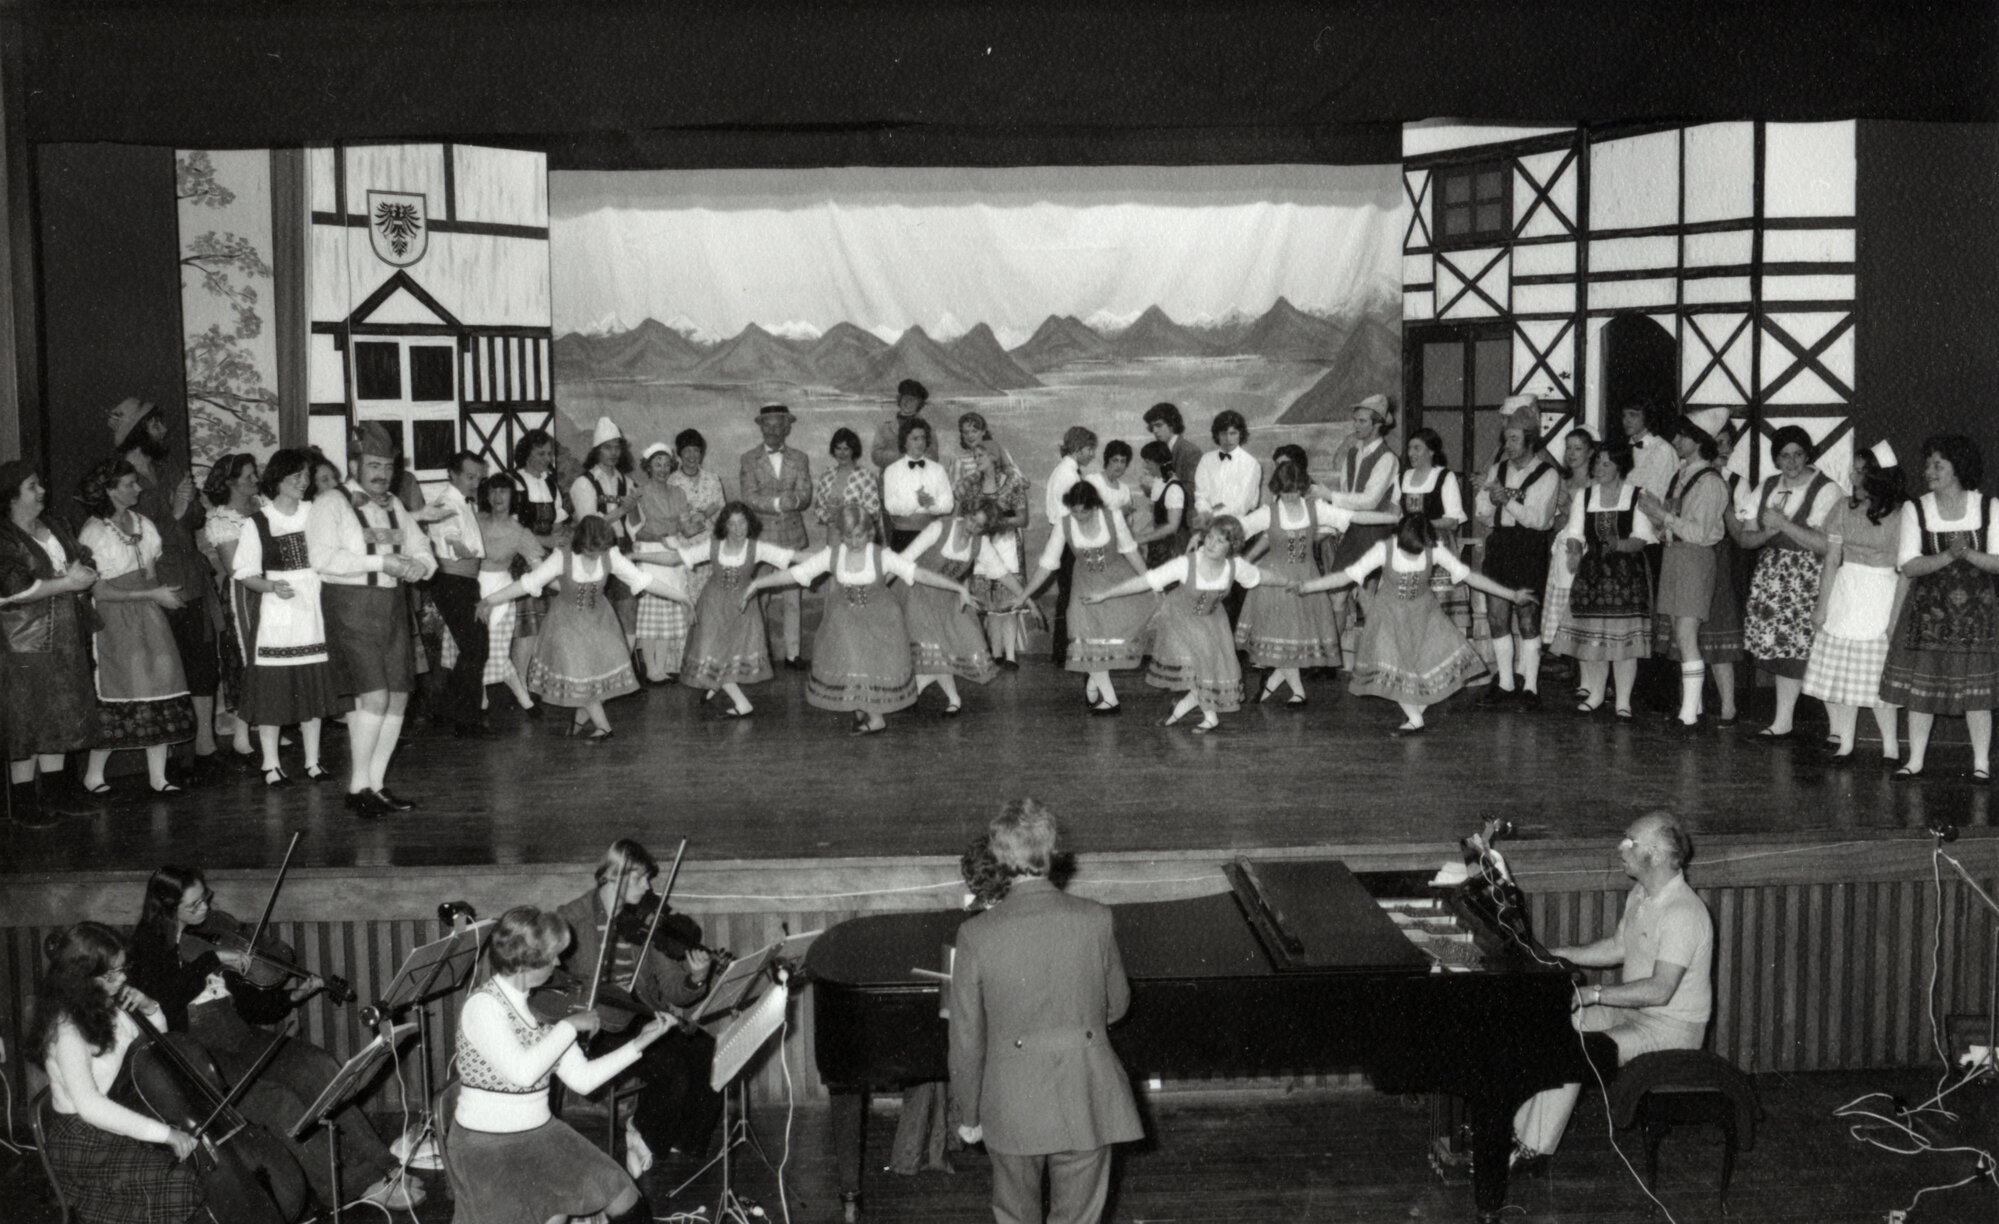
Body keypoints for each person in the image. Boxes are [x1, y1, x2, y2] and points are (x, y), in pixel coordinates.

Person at [127, 866, 416, 1210]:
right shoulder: (146, 949)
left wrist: (292, 997)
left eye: (205, 897)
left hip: (239, 1034)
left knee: (320, 1067)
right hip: (199, 1054)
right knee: (280, 1102)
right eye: (195, 904)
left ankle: (385, 1166)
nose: (205, 907)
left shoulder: (208, 935)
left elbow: (250, 1006)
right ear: (168, 908)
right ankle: (355, 1187)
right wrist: (211, 960)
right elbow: (166, 1001)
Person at [948, 799, 1144, 1224]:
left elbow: (966, 1038)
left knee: (1015, 1217)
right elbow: (1118, 1006)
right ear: (1052, 852)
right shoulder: (1096, 918)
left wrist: (968, 1114)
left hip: (1011, 1100)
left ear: (998, 856)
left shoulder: (975, 933)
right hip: (1087, 1092)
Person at [1511, 811, 1713, 1170]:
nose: (1620, 848)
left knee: (1573, 1051)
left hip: (1668, 1031)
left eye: (1629, 842)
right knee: (1552, 1024)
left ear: (1654, 853)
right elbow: (1618, 948)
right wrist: (1557, 954)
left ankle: (1533, 1152)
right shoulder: (1641, 894)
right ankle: (1517, 1132)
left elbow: (1659, 991)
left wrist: (1594, 994)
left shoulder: (1683, 913)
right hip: (1632, 1013)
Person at [447, 905, 673, 1224]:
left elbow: (583, 1079)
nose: (558, 963)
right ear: (527, 960)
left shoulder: (545, 1008)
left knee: (622, 1193)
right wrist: (570, 1027)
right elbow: (523, 1073)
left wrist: (640, 1044)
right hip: (487, 1147)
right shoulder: (483, 1007)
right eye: (553, 955)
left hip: (541, 1134)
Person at [556, 840, 721, 1171]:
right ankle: (644, 1132)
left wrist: (697, 978)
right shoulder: (571, 919)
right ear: (613, 877)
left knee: (709, 1051)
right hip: (596, 1025)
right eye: (640, 879)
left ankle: (677, 1140)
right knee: (672, 1069)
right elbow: (552, 980)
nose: (648, 887)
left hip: (639, 1015)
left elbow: (676, 991)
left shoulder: (647, 922)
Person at [742, 502, 974, 735]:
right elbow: (797, 573)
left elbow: (919, 573)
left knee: (870, 664)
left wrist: (959, 588)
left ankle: (876, 719)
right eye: (849, 537)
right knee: (851, 660)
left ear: (870, 533)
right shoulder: (833, 555)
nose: (855, 542)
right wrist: (758, 583)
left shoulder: (882, 556)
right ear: (841, 535)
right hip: (845, 619)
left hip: (881, 619)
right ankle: (862, 711)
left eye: (860, 536)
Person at [1296, 513, 1534, 736]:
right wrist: (1309, 586)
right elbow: (1347, 575)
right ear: (1397, 537)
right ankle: (1415, 717)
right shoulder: (1384, 549)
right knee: (1393, 662)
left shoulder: (1434, 549)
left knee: (1429, 661)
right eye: (1408, 551)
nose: (1412, 556)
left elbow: (1471, 576)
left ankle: (1415, 714)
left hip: (1424, 613)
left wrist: (1512, 595)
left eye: (1417, 552)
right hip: (1388, 615)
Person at [30, 921, 204, 1224]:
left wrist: (150, 1008)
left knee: (190, 1170)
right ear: (80, 977)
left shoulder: (107, 1003)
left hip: (115, 1115)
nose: (122, 978)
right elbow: (91, 1106)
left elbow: (152, 1049)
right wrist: (166, 1134)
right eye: (112, 974)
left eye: (124, 969)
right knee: (181, 1181)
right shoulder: (67, 1030)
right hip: (84, 1142)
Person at [307, 421, 437, 817]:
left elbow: (421, 547)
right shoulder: (330, 503)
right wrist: (383, 561)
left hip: (392, 609)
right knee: (374, 697)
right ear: (354, 464)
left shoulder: (394, 504)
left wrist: (422, 566)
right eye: (374, 465)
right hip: (350, 607)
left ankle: (376, 786)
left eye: (388, 466)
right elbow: (324, 559)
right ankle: (356, 786)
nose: (382, 474)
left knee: (399, 696)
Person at [477, 515, 689, 742]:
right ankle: (604, 728)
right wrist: (491, 600)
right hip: (566, 622)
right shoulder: (562, 558)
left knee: (598, 676)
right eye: (591, 549)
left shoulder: (610, 555)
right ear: (581, 543)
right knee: (580, 670)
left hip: (600, 620)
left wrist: (682, 597)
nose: (596, 555)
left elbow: (643, 579)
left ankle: (580, 718)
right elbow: (528, 583)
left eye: (600, 549)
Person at [109, 397, 225, 774]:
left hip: (191, 578)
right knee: (168, 668)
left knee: (202, 664)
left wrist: (184, 511)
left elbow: (194, 518)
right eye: (157, 425)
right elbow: (140, 537)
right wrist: (176, 512)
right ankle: (177, 757)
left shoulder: (169, 465)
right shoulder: (121, 477)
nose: (164, 431)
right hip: (156, 583)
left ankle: (206, 747)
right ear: (140, 430)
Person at [1088, 516, 1287, 732]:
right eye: (1209, 537)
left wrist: (1288, 582)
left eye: (1219, 541)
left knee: (1211, 672)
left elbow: (1261, 576)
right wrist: (1106, 594)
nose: (1210, 544)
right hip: (1178, 618)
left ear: (1232, 545)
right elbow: (1146, 581)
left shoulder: (1235, 566)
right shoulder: (1186, 563)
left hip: (1212, 621)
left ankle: (1181, 708)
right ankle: (1209, 717)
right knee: (1198, 667)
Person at [1879, 434, 1999, 780]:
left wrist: (1968, 554)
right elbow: (1908, 565)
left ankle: (1981, 763)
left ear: (1957, 468)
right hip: (1928, 614)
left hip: (1977, 614)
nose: (1929, 471)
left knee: (1977, 694)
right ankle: (1915, 760)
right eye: (1928, 464)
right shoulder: (1916, 509)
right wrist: (1948, 555)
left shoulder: (1988, 506)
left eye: (1938, 465)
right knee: (1922, 692)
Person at [76, 458, 197, 796]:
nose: (138, 488)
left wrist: (162, 596)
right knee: (123, 684)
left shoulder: (144, 524)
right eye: (130, 484)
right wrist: (150, 594)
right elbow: (98, 589)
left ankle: (158, 776)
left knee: (161, 679)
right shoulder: (95, 532)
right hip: (115, 617)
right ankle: (94, 774)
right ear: (110, 490)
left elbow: (151, 574)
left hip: (148, 613)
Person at [1238, 460, 1396, 704]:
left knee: (1295, 638)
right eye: (1284, 491)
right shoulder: (1268, 512)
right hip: (1275, 582)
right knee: (1285, 634)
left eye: (1295, 491)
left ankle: (1273, 684)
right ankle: (1298, 691)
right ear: (1276, 489)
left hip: (1307, 577)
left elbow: (1354, 516)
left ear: (1302, 488)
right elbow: (1239, 528)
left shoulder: (1315, 508)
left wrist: (1389, 518)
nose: (1290, 496)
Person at [1792, 442, 1907, 763]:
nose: (1853, 476)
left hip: (1881, 592)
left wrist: (1895, 616)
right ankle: (1845, 742)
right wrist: (1821, 605)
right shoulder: (1843, 507)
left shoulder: (1901, 513)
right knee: (1842, 676)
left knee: (1877, 677)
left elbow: (1905, 569)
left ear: (1877, 476)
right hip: (1846, 591)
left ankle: (1890, 747)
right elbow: (1831, 559)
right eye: (1853, 469)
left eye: (1860, 470)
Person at [232, 449, 341, 785]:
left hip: (313, 606)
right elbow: (244, 573)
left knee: (312, 686)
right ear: (277, 478)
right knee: (274, 689)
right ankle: (270, 762)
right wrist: (270, 586)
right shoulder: (258, 521)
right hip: (279, 611)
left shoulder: (316, 512)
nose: (303, 482)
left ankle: (312, 760)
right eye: (296, 476)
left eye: (306, 476)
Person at [1, 460, 98, 828]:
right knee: (25, 716)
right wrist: (66, 583)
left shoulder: (54, 524)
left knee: (59, 709)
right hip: (21, 638)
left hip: (64, 632)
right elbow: (12, 587)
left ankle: (57, 793)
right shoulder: (4, 536)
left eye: (39, 483)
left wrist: (82, 573)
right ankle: (24, 801)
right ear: (11, 496)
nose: (41, 491)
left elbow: (82, 558)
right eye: (31, 486)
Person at [1737, 426, 1843, 739]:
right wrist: (1768, 534)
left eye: (1798, 454)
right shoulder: (1767, 486)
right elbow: (1745, 538)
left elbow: (1827, 545)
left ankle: (1838, 729)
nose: (1792, 461)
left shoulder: (1827, 489)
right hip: (1774, 578)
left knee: (1816, 652)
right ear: (1776, 458)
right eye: (1784, 455)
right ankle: (1783, 720)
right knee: (1785, 654)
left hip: (1810, 579)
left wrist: (1783, 524)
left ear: (1807, 454)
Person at [1020, 480, 1152, 714]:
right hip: (1084, 585)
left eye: (1084, 511)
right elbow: (1047, 564)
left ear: (1095, 506)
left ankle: (1095, 679)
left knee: (1107, 638)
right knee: (1083, 633)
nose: (1079, 516)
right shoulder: (1064, 524)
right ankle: (1110, 700)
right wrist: (1025, 594)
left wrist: (1150, 580)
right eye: (1075, 511)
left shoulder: (1112, 517)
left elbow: (1130, 550)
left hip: (1116, 580)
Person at [1639, 409, 1735, 731]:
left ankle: (1689, 716)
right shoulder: (1683, 475)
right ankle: (1691, 707)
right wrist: (1657, 517)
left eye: (1682, 435)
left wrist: (1662, 516)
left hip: (1694, 558)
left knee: (1686, 634)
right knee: (1681, 636)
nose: (1675, 441)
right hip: (1677, 555)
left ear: (1698, 440)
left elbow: (1698, 532)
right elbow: (1674, 527)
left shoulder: (1709, 482)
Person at [1551, 443, 1657, 720]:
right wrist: (1574, 550)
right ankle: (1597, 694)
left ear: (1620, 466)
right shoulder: (1585, 496)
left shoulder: (1637, 495)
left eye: (1606, 464)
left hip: (1626, 575)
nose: (1599, 468)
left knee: (1623, 643)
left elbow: (1641, 538)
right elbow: (1575, 532)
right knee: (1592, 639)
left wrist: (1619, 544)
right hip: (1592, 574)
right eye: (1597, 463)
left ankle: (1623, 700)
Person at [1473, 398, 1562, 708]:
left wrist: (1504, 499)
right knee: (1497, 617)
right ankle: (1507, 683)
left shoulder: (1548, 475)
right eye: (1506, 439)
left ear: (1529, 438)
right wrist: (1491, 500)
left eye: (1514, 439)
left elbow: (1538, 520)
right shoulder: (1496, 469)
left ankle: (1531, 688)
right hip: (1500, 545)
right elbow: (1483, 512)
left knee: (1527, 618)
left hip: (1529, 548)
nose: (1507, 445)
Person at [675, 502, 796, 718]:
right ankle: (736, 699)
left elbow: (790, 556)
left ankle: (724, 689)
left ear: (750, 524)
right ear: (725, 526)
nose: (738, 529)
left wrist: (831, 559)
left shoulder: (756, 547)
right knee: (710, 649)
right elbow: (679, 557)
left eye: (742, 523)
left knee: (730, 652)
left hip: (742, 606)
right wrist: (636, 557)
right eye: (732, 524)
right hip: (712, 605)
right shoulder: (714, 546)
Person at [898, 501, 1012, 714]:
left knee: (950, 647)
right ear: (965, 513)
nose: (972, 527)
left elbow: (1001, 572)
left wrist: (1027, 598)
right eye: (971, 519)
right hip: (917, 593)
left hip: (949, 598)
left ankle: (938, 694)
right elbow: (903, 560)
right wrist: (880, 587)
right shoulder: (940, 528)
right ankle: (935, 694)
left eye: (980, 526)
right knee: (934, 647)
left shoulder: (981, 543)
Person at [419, 450, 494, 738]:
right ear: (453, 474)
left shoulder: (461, 502)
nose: (475, 483)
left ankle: (446, 709)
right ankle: (464, 719)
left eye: (478, 477)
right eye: (470, 476)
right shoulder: (446, 502)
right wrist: (466, 550)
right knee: (476, 648)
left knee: (474, 648)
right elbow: (452, 539)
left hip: (463, 582)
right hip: (452, 581)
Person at [738, 404, 814, 670]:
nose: (772, 430)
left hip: (792, 535)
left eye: (777, 425)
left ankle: (793, 655)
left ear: (787, 427)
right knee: (761, 595)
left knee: (793, 596)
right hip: (763, 536)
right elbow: (748, 496)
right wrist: (780, 503)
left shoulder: (800, 458)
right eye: (767, 425)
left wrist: (796, 498)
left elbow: (805, 495)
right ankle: (759, 652)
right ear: (760, 427)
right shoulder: (748, 459)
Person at [198, 452, 261, 764]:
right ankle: (240, 734)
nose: (255, 480)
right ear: (230, 483)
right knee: (246, 658)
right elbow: (235, 567)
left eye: (254, 474)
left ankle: (269, 724)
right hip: (242, 593)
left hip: (266, 587)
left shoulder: (261, 506)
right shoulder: (222, 519)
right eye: (248, 476)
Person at [473, 474, 549, 716]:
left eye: (503, 491)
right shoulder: (475, 521)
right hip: (470, 589)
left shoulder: (519, 531)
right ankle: (481, 702)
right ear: (486, 495)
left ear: (512, 497)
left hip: (501, 592)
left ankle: (524, 700)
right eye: (493, 491)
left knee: (496, 652)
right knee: (472, 651)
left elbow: (540, 569)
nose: (497, 497)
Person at [956, 439, 1032, 668]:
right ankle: (996, 653)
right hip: (982, 544)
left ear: (993, 458)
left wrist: (997, 521)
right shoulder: (972, 486)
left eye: (980, 456)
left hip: (1006, 543)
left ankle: (1009, 655)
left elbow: (1022, 518)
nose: (976, 460)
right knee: (989, 604)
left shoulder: (1012, 483)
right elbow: (965, 515)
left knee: (1008, 602)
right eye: (975, 456)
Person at [571, 417, 643, 641]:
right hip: (595, 553)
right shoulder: (584, 483)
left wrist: (631, 512)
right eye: (607, 447)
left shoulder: (627, 482)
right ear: (596, 450)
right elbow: (589, 526)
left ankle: (626, 668)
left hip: (623, 549)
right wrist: (622, 510)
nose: (613, 453)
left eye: (617, 447)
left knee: (628, 611)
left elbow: (637, 525)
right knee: (597, 613)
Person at [509, 428, 569, 690]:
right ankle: (520, 681)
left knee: (549, 625)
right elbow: (511, 529)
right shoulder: (513, 482)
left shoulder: (549, 484)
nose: (546, 458)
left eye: (548, 453)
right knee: (528, 628)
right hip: (522, 559)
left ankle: (538, 680)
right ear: (526, 453)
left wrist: (561, 539)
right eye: (540, 453)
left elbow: (556, 524)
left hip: (549, 559)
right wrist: (544, 542)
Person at [1538, 429, 1599, 680]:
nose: (1571, 454)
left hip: (1586, 552)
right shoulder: (1561, 482)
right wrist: (1562, 513)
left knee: (1585, 610)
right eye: (1568, 448)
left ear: (1590, 452)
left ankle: (1591, 676)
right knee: (1563, 610)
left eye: (1577, 448)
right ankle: (1572, 668)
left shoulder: (1595, 483)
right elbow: (1550, 523)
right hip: (1562, 552)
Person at [634, 442, 696, 684]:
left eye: (666, 463)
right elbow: (635, 531)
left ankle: (660, 669)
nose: (662, 468)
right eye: (656, 464)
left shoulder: (678, 493)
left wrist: (698, 521)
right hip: (650, 552)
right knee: (651, 613)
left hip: (673, 552)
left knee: (668, 611)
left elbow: (685, 526)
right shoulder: (639, 493)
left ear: (672, 465)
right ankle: (651, 669)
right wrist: (661, 537)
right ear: (648, 467)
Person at [1042, 427, 1099, 667]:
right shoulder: (1067, 475)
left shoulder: (1065, 471)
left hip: (1064, 539)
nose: (1092, 454)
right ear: (1077, 448)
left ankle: (1063, 651)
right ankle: (1065, 652)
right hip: (1068, 541)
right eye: (1089, 449)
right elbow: (1075, 514)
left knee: (1067, 596)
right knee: (1069, 597)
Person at [882, 416, 955, 552]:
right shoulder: (891, 471)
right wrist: (917, 502)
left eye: (923, 438)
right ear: (904, 441)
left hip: (932, 535)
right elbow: (891, 506)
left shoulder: (938, 469)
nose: (920, 443)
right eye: (915, 439)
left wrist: (931, 504)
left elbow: (948, 505)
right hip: (903, 536)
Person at [814, 427, 885, 545]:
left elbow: (874, 512)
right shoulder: (826, 475)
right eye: (838, 448)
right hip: (833, 537)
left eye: (846, 449)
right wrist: (830, 517)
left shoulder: (866, 476)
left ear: (853, 450)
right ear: (833, 450)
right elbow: (818, 510)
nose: (842, 453)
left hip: (858, 539)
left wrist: (846, 514)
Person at [1191, 409, 1261, 524]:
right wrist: (1205, 513)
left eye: (1233, 433)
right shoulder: (1206, 460)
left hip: (1238, 525)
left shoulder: (1251, 464)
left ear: (1241, 434)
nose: (1228, 439)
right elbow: (1200, 495)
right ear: (1217, 435)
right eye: (1224, 433)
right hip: (1208, 523)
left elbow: (1242, 505)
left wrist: (1212, 517)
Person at [666, 427, 729, 551]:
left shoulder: (712, 479)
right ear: (680, 453)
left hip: (711, 543)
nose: (692, 455)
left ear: (701, 453)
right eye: (687, 450)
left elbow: (722, 512)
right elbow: (668, 518)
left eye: (696, 450)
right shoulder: (671, 482)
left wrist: (705, 515)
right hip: (684, 544)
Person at [1132, 439, 1189, 567]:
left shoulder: (1174, 488)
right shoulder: (1159, 483)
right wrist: (1136, 536)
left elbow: (1172, 526)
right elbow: (1156, 522)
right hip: (1159, 547)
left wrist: (1143, 538)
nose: (1145, 466)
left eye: (1147, 462)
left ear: (1158, 463)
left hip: (1173, 549)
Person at [1142, 401, 1203, 503]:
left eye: (1159, 425)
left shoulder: (1190, 451)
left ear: (1172, 424)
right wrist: (1148, 488)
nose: (1155, 431)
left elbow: (1193, 492)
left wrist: (1158, 484)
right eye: (1152, 427)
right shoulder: (1158, 451)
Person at [870, 378, 929, 472]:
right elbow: (876, 456)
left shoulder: (927, 428)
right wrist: (905, 456)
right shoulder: (884, 427)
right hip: (890, 478)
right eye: (905, 398)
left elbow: (933, 456)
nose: (908, 402)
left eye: (913, 399)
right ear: (899, 399)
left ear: (920, 404)